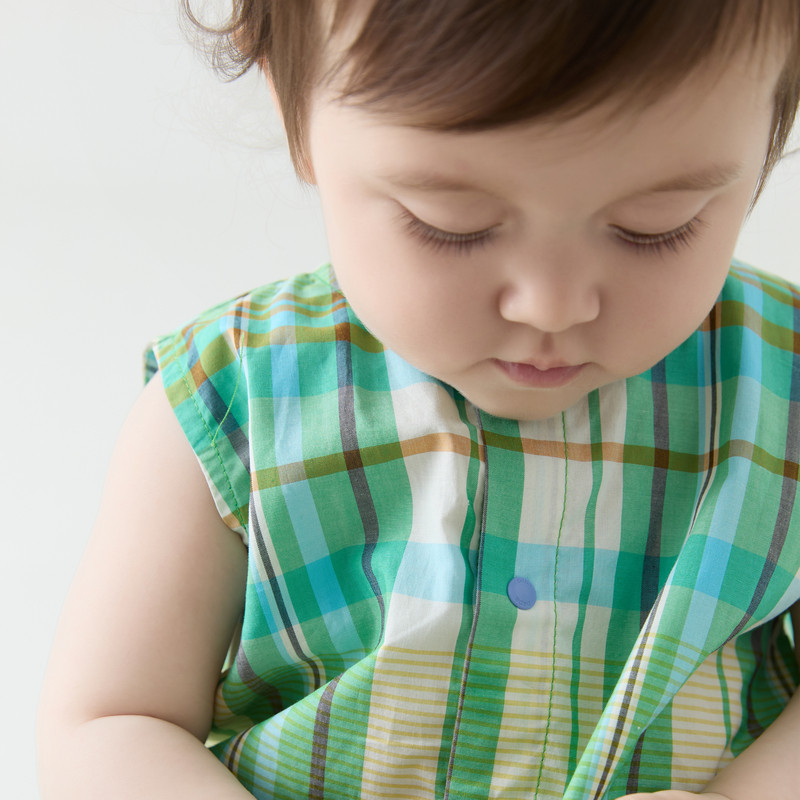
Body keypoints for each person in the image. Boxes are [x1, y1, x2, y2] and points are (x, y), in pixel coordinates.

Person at [37, 1, 800, 798]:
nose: (551, 306)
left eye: (657, 226)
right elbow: (109, 724)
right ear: (295, 113)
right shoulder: (236, 402)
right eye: (452, 224)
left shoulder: (781, 389)